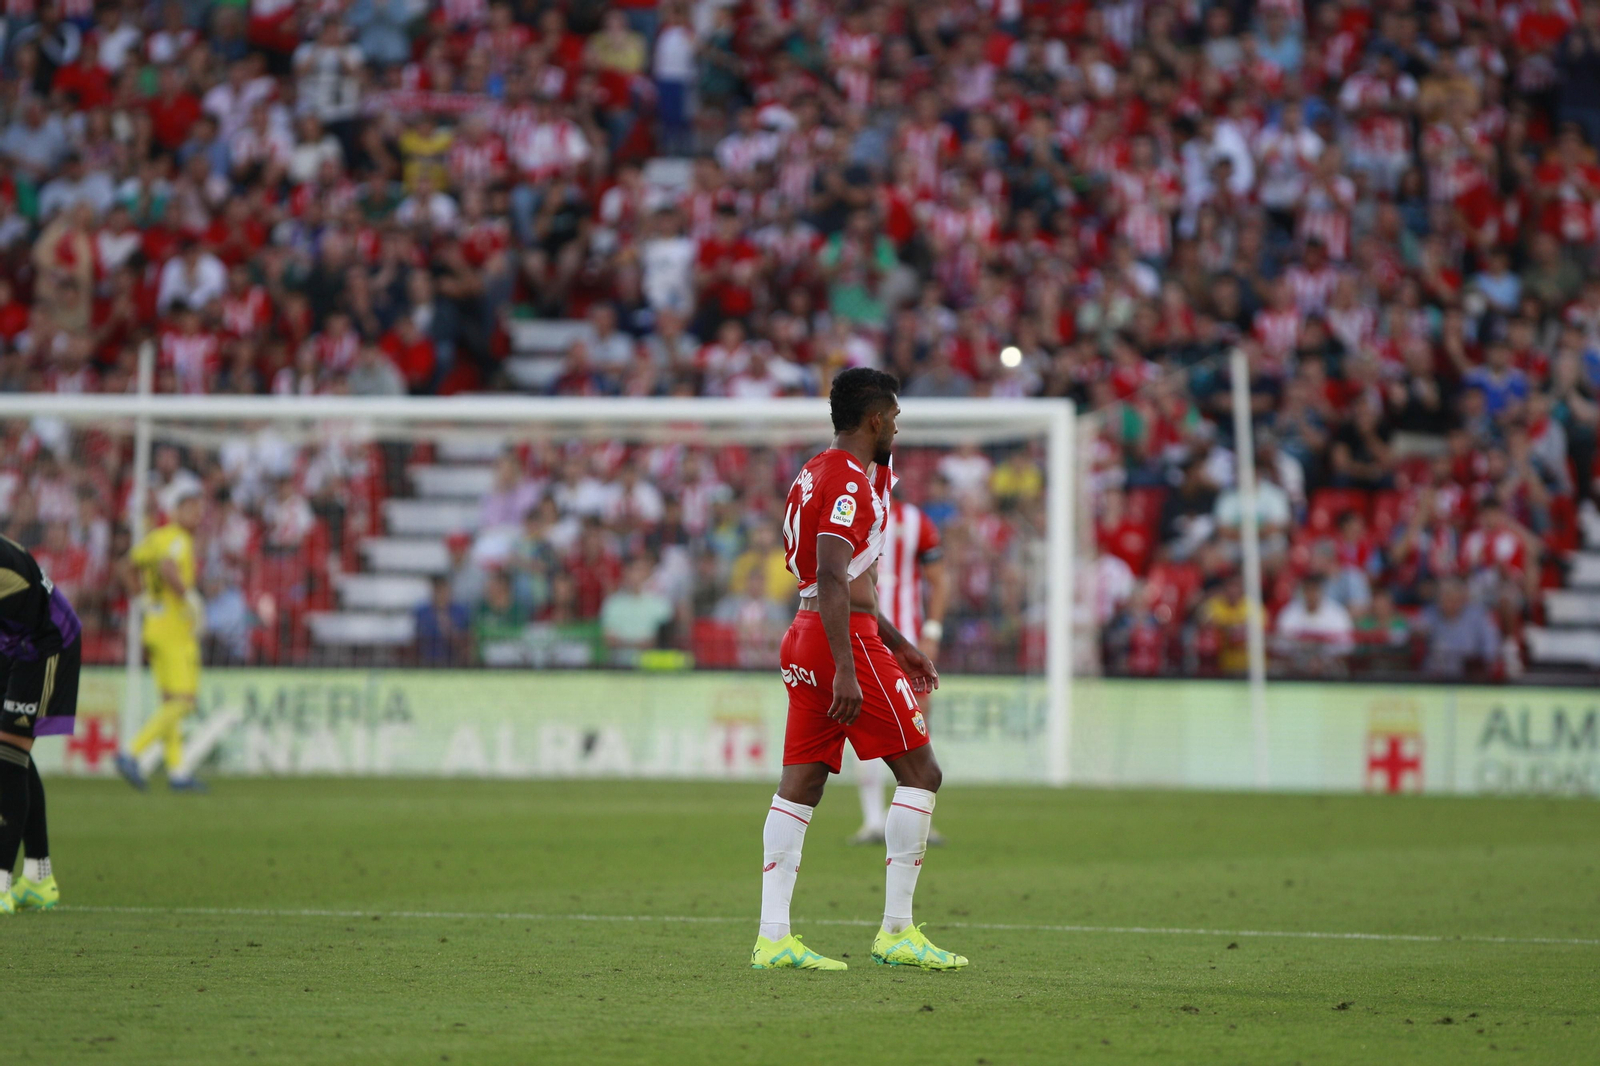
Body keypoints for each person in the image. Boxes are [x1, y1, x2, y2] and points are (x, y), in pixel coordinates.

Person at [753, 368, 966, 972]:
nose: (897, 426)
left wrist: (896, 641)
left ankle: (773, 938)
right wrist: (849, 666)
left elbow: (848, 579)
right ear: (876, 419)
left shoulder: (816, 470)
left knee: (801, 785)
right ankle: (896, 931)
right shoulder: (850, 480)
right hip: (837, 640)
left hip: (806, 635)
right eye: (894, 417)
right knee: (922, 772)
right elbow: (830, 571)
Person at [852, 497, 948, 847]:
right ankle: (873, 821)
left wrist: (933, 632)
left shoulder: (916, 521)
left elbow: (939, 580)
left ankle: (918, 822)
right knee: (864, 725)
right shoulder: (853, 510)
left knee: (919, 723)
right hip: (865, 637)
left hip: (907, 643)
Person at [0, 534, 82, 914]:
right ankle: (37, 876)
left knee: (9, 751)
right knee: (12, 755)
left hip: (45, 643)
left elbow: (28, 618)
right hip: (14, 642)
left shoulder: (5, 566)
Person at [115, 484, 207, 792]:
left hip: (153, 628)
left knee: (170, 701)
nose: (198, 515)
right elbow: (169, 567)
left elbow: (127, 565)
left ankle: (177, 772)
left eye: (199, 510)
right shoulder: (178, 540)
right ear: (176, 512)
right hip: (174, 633)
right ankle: (131, 752)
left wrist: (141, 600)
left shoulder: (155, 538)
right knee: (184, 701)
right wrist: (189, 596)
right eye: (192, 509)